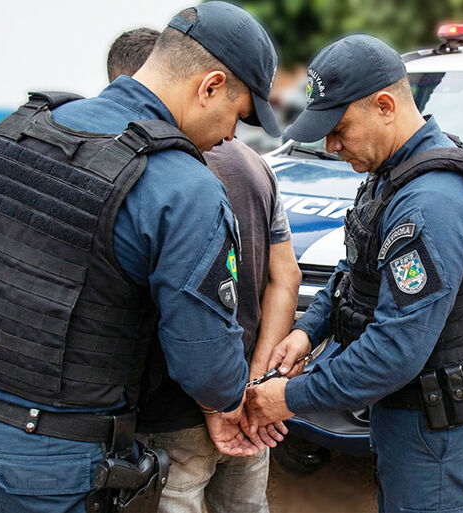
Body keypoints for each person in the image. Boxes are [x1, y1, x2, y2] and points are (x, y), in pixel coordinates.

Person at [0, 3, 281, 512]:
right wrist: (223, 401)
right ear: (209, 86)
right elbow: (204, 361)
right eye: (239, 115)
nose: (232, 135)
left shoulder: (18, 130)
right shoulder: (183, 188)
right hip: (52, 464)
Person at [246, 35, 463, 512]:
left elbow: (394, 351)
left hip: (436, 428)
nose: (331, 145)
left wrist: (289, 398)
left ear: (385, 106)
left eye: (339, 128)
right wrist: (308, 331)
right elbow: (357, 266)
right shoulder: (393, 170)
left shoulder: (431, 202)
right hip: (410, 415)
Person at [105, 27, 301, 513]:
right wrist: (252, 386)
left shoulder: (133, 166)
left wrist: (227, 399)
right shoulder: (257, 164)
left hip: (168, 411)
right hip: (243, 399)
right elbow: (286, 276)